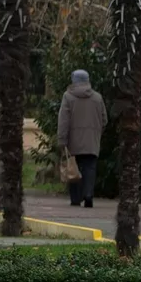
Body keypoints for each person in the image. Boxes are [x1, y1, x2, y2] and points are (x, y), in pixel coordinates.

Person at [57, 68, 107, 207]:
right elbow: (104, 119)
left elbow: (63, 120)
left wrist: (62, 140)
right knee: (90, 167)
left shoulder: (68, 97)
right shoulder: (97, 98)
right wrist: (97, 132)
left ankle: (75, 198)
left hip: (73, 141)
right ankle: (88, 194)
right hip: (92, 140)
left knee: (74, 167)